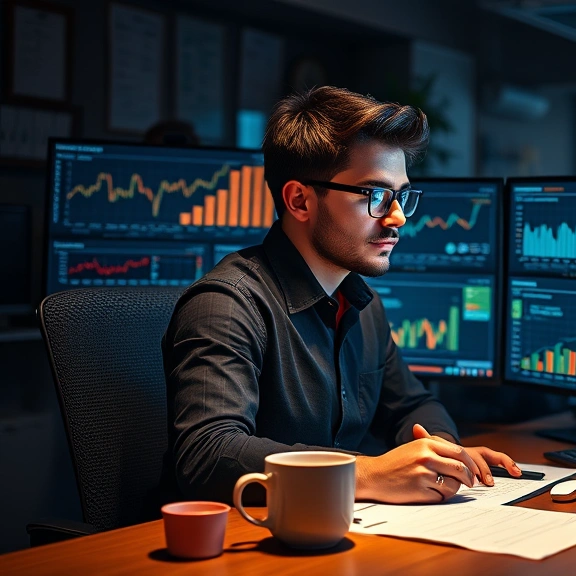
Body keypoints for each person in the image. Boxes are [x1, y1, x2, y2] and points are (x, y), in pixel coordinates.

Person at [162, 86, 521, 505]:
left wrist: (439, 455)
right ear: (299, 200)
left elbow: (413, 406)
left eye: (401, 195)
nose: (398, 217)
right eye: (374, 195)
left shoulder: (361, 301)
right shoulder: (227, 305)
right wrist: (364, 472)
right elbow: (207, 455)